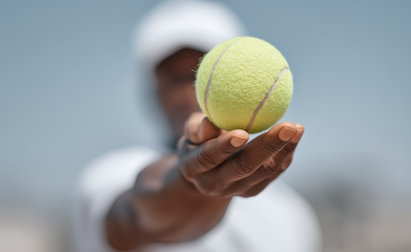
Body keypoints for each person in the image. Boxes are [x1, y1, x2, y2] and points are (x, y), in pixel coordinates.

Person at [74, 1, 320, 251]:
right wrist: (190, 185)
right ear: (153, 91)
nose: (184, 93)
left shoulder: (290, 213)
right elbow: (135, 215)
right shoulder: (110, 174)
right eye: (172, 78)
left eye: (198, 74)